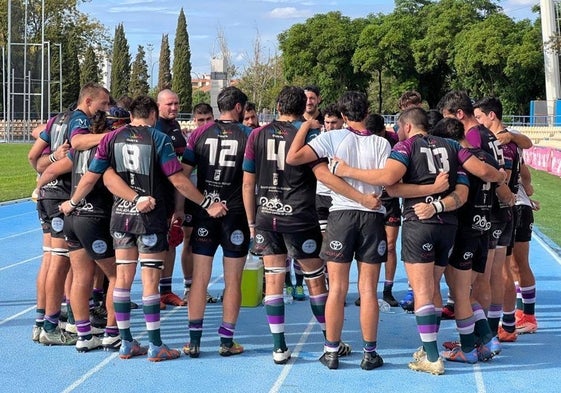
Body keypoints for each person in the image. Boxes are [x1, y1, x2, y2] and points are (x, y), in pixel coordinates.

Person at [330, 107, 506, 374]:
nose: (398, 131)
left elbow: (388, 181)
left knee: (423, 290)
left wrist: (346, 170)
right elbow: (476, 178)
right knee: (437, 288)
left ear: (408, 126)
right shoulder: (451, 146)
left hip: (419, 224)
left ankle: (432, 357)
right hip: (449, 225)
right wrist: (500, 176)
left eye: (400, 127)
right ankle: (465, 342)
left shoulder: (405, 145)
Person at [59, 95, 227, 362]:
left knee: (122, 281)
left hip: (121, 218)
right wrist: (208, 203)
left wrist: (72, 201)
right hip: (150, 218)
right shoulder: (159, 138)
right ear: (151, 114)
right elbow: (178, 180)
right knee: (150, 282)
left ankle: (125, 342)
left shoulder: (111, 138)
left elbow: (93, 176)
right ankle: (155, 345)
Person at [242, 86, 379, 365]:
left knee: (274, 279)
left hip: (267, 213)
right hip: (300, 215)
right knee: (316, 279)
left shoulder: (257, 134)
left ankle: (279, 346)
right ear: (304, 106)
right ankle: (331, 341)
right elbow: (323, 176)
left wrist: (251, 222)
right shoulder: (310, 134)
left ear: (278, 104)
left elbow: (248, 182)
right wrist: (361, 198)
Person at [286, 91, 389, 370]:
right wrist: (367, 197)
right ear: (367, 111)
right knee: (368, 289)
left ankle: (331, 351)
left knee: (337, 289)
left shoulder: (332, 137)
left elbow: (293, 157)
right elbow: (387, 180)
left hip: (340, 216)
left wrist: (307, 124)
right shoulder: (382, 143)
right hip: (372, 217)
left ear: (342, 116)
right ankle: (370, 353)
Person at [35, 108, 128, 352]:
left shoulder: (78, 151)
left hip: (73, 220)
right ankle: (111, 333)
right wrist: (136, 197)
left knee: (80, 276)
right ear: (113, 127)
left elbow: (50, 170)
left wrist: (38, 190)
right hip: (94, 218)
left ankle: (84, 335)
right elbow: (107, 180)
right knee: (117, 276)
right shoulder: (107, 149)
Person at [28, 82, 111, 345]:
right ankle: (53, 324)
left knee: (54, 260)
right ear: (88, 101)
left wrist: (42, 177)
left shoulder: (55, 119)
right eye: (104, 104)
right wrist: (110, 138)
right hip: (63, 196)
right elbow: (76, 145)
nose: (106, 110)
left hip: (49, 194)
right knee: (62, 262)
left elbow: (35, 158)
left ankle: (47, 322)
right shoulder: (79, 122)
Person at [180, 86, 252, 357]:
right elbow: (250, 182)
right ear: (238, 107)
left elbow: (183, 175)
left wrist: (198, 204)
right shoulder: (249, 135)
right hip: (236, 214)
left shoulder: (199, 133)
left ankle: (194, 341)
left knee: (199, 279)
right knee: (233, 280)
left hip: (205, 211)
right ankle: (226, 341)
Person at [429, 117, 505, 364]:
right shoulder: (486, 155)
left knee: (459, 292)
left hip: (465, 230)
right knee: (466, 291)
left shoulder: (461, 158)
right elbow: (497, 179)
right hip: (484, 228)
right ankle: (484, 339)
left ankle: (471, 348)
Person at [155, 89, 188, 309]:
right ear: (158, 106)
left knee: (171, 242)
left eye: (176, 103)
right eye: (169, 104)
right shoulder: (155, 128)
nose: (174, 108)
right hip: (155, 194)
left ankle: (165, 291)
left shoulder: (175, 127)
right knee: (153, 246)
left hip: (173, 193)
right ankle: (151, 292)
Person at [181, 102, 217, 303]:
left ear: (214, 118)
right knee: (189, 240)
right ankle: (189, 287)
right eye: (200, 120)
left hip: (215, 198)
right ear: (195, 121)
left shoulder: (221, 137)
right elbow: (181, 175)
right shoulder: (191, 138)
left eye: (208, 119)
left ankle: (203, 287)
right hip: (192, 198)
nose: (204, 123)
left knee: (209, 243)